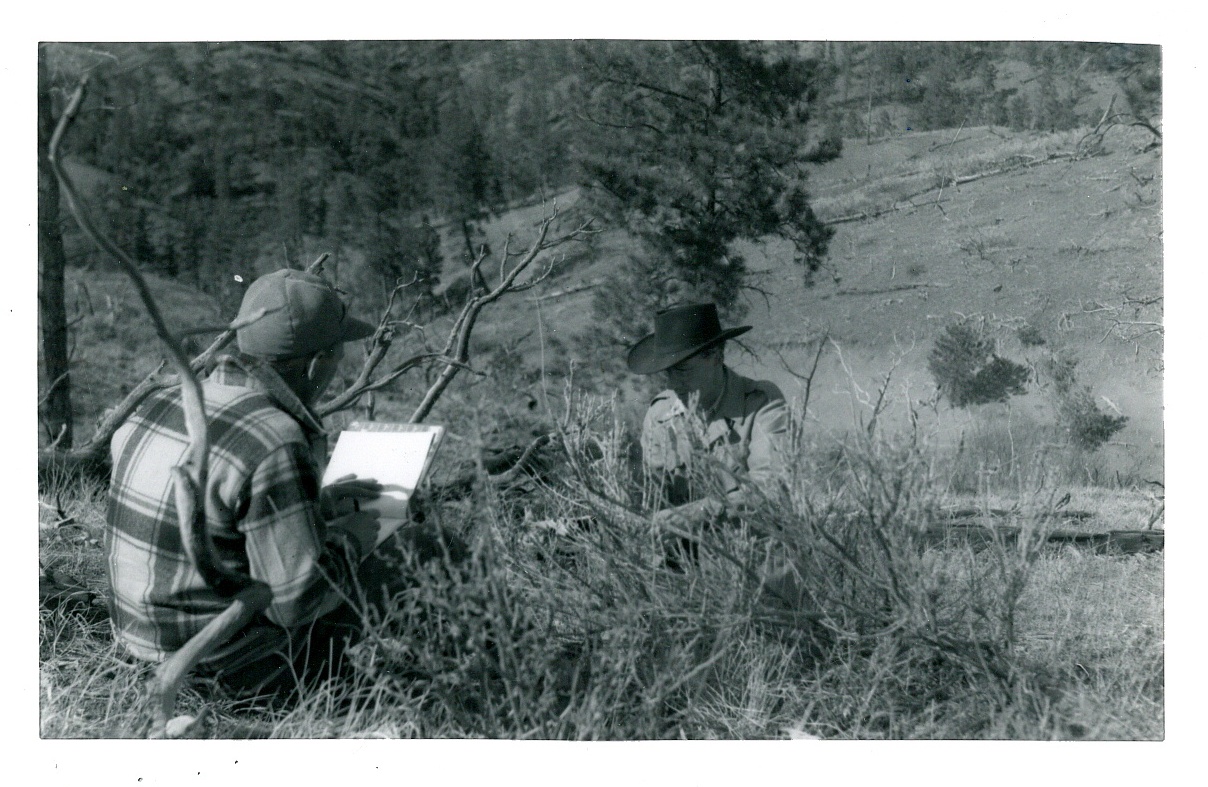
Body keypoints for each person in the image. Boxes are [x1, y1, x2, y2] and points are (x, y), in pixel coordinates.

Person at [105, 268, 463, 698]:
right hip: (228, 674)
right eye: (337, 354)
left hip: (136, 649)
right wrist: (357, 535)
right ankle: (462, 687)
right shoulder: (275, 439)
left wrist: (321, 505)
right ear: (316, 364)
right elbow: (295, 603)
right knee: (425, 544)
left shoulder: (161, 403)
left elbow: (216, 522)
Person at [627, 302, 789, 529]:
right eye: (668, 373)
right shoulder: (660, 414)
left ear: (715, 355)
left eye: (683, 370)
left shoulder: (760, 403)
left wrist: (702, 512)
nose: (674, 384)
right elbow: (652, 495)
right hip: (684, 556)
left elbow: (772, 489)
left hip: (756, 553)